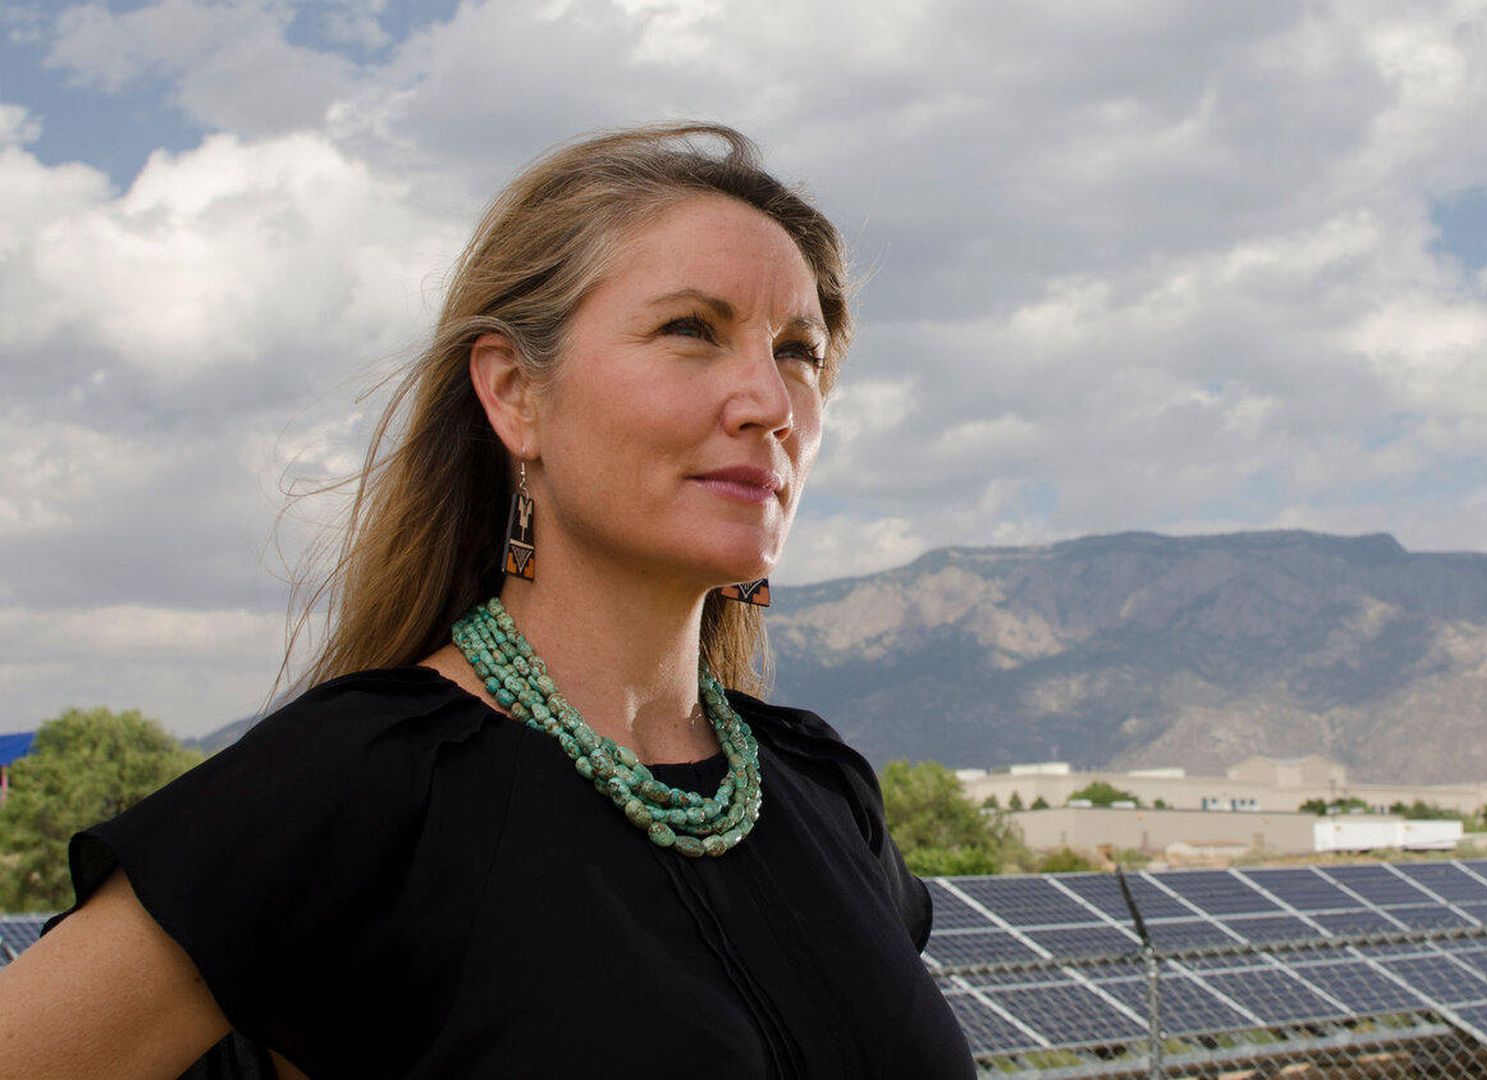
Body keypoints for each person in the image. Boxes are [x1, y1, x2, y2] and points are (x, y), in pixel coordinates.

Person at [0, 124, 975, 1078]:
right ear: (515, 393)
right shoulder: (357, 791)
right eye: (692, 330)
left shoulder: (819, 787)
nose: (769, 402)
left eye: (800, 352)